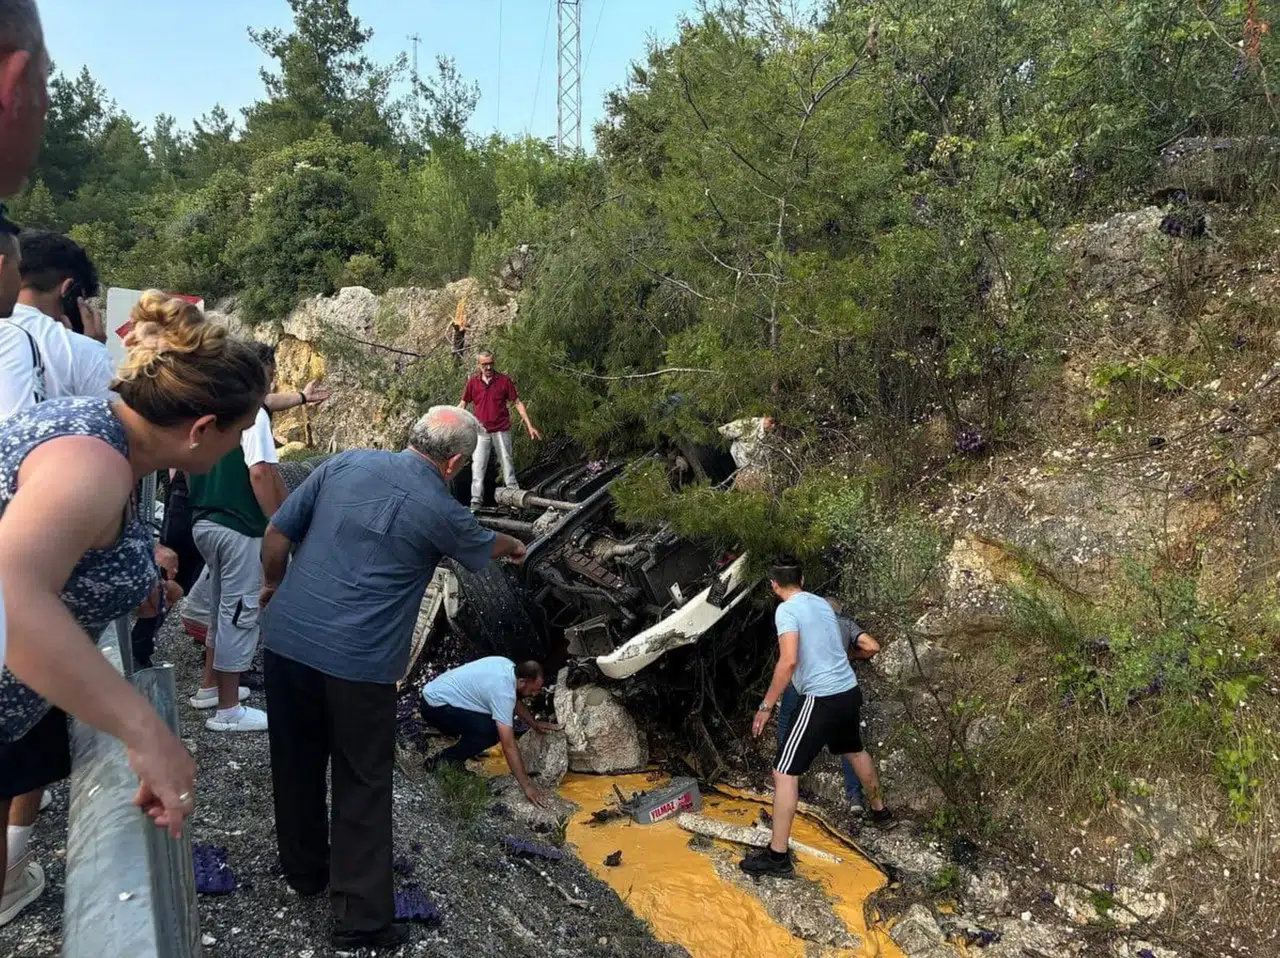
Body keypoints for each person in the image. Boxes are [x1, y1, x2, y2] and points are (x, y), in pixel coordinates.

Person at [0, 290, 268, 923]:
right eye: (237, 434)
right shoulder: (92, 460)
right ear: (204, 429)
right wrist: (145, 732)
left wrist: (134, 563)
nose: (234, 451)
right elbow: (11, 591)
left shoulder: (108, 437)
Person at [259, 406, 526, 951]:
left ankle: (306, 873)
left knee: (295, 760)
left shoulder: (343, 463)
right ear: (454, 461)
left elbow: (277, 531)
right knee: (361, 782)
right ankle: (360, 924)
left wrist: (272, 588)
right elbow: (481, 545)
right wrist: (515, 543)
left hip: (287, 643)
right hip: (358, 667)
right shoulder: (441, 508)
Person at [741, 558, 891, 877]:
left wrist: (766, 706)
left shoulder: (786, 610)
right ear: (803, 579)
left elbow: (789, 660)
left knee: (783, 772)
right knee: (854, 750)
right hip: (848, 691)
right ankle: (880, 811)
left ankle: (777, 855)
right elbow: (835, 644)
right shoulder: (822, 604)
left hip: (821, 698)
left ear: (773, 585)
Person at [185, 342, 286, 732]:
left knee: (218, 608)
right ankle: (228, 710)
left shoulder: (210, 406)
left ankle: (210, 686)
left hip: (205, 520)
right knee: (241, 613)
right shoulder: (254, 415)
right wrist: (279, 524)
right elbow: (261, 472)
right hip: (238, 525)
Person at [775, 598, 880, 812]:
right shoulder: (846, 624)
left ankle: (786, 784)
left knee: (787, 725)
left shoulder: (804, 623)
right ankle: (856, 799)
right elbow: (872, 646)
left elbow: (790, 656)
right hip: (841, 688)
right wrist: (851, 654)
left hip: (805, 684)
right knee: (849, 747)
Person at [420, 657, 555, 803]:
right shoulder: (503, 692)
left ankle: (459, 752)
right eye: (533, 690)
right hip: (435, 708)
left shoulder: (507, 666)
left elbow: (514, 701)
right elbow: (508, 745)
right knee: (492, 731)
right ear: (522, 681)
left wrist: (534, 724)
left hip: (434, 694)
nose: (535, 694)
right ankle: (443, 761)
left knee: (491, 722)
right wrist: (527, 785)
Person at [458, 348, 541, 510]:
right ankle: (476, 501)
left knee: (507, 462)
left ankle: (514, 497)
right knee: (478, 465)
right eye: (484, 365)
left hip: (501, 429)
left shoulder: (503, 381)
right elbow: (463, 404)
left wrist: (529, 425)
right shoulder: (473, 383)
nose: (488, 368)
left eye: (490, 364)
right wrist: (451, 420)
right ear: (478, 365)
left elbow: (517, 402)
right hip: (481, 431)